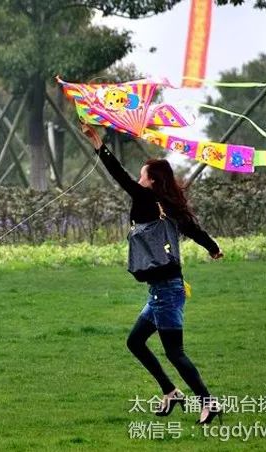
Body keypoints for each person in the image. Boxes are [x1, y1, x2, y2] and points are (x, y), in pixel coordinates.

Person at [81, 123, 224, 425]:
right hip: (160, 290)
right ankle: (171, 392)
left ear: (151, 181)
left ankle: (209, 403)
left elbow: (118, 174)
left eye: (143, 174)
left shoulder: (149, 199)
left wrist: (98, 142)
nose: (138, 177)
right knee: (135, 342)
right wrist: (212, 247)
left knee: (175, 353)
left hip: (167, 292)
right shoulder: (166, 205)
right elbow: (193, 229)